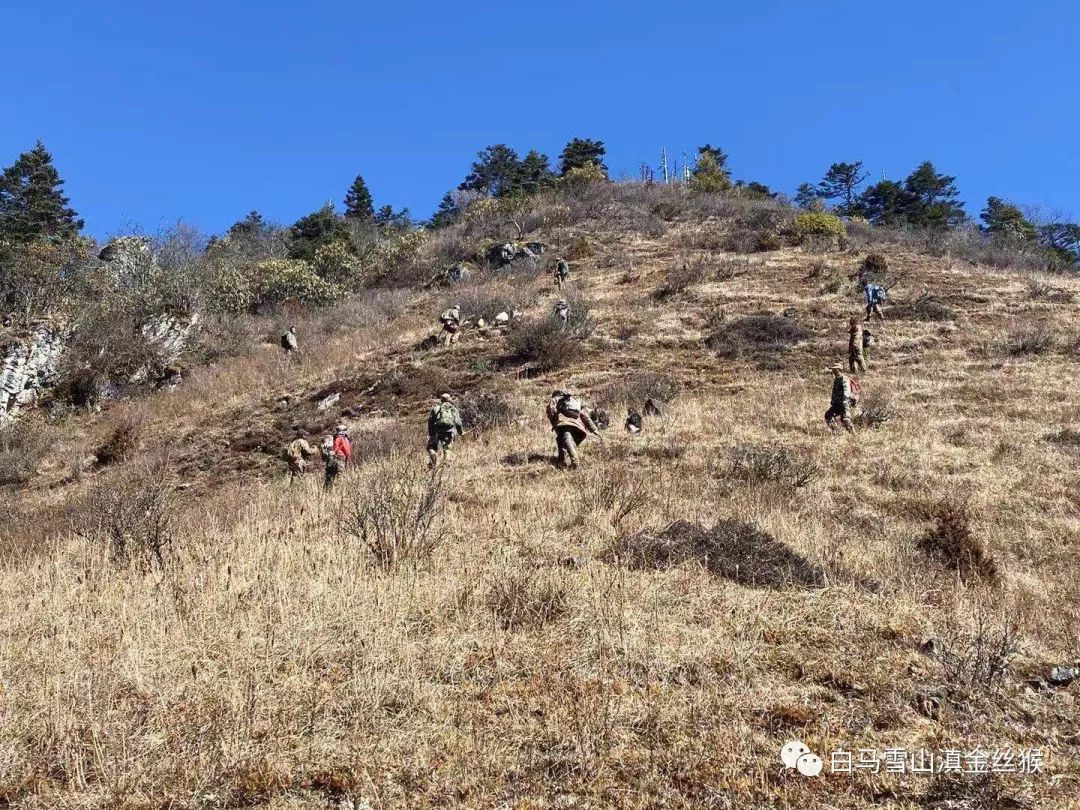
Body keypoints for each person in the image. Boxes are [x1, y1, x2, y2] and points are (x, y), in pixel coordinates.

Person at [546, 389, 603, 469]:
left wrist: (554, 421)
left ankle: (575, 460)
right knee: (560, 439)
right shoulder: (574, 401)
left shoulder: (556, 399)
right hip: (577, 425)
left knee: (566, 439)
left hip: (563, 422)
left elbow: (550, 410)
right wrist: (594, 429)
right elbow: (585, 416)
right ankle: (561, 461)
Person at [427, 393, 463, 468]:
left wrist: (431, 433)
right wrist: (461, 432)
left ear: (441, 400)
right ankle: (446, 464)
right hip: (449, 432)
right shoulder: (453, 409)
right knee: (447, 448)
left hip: (437, 431)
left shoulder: (436, 408)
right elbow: (458, 423)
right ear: (449, 400)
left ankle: (433, 456)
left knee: (431, 447)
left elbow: (430, 422)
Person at [825, 364, 856, 435]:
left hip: (843, 403)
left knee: (845, 419)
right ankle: (836, 433)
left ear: (838, 369)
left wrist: (844, 402)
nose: (832, 370)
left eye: (834, 369)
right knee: (828, 415)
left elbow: (847, 392)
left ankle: (854, 436)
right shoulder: (837, 379)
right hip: (837, 403)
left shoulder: (844, 379)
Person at [323, 424, 352, 490]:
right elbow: (347, 450)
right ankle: (339, 492)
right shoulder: (342, 438)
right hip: (340, 459)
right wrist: (348, 459)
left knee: (329, 477)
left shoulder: (332, 438)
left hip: (331, 460)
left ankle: (326, 492)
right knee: (341, 477)